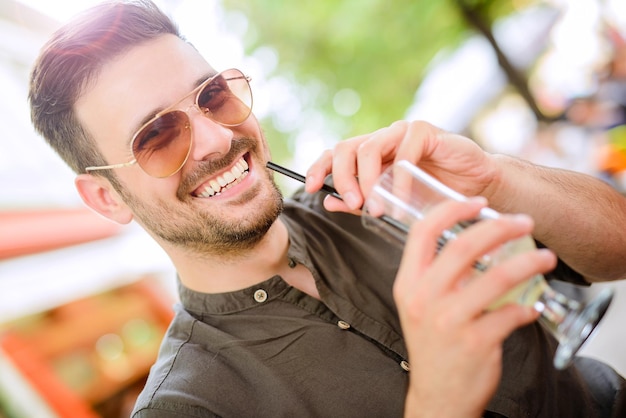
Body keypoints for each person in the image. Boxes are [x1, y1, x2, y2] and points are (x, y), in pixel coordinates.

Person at [27, 1, 626, 417]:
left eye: (213, 95)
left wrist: (496, 177)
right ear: (107, 197)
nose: (214, 139)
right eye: (156, 136)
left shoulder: (375, 196)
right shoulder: (190, 407)